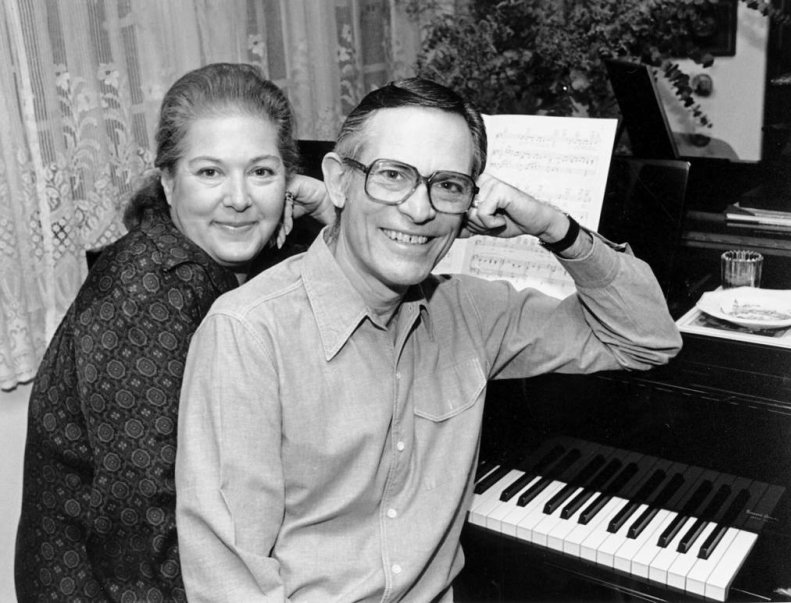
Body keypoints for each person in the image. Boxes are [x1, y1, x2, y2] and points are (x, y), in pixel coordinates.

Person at [175, 77, 683, 602]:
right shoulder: (247, 334)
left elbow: (645, 339)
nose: (420, 210)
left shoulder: (469, 312)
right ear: (339, 182)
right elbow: (229, 586)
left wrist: (554, 227)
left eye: (448, 185)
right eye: (392, 175)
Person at [14, 62, 333, 603]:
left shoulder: (241, 257)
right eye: (210, 172)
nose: (239, 198)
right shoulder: (146, 292)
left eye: (261, 171)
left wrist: (326, 209)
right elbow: (146, 528)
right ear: (167, 182)